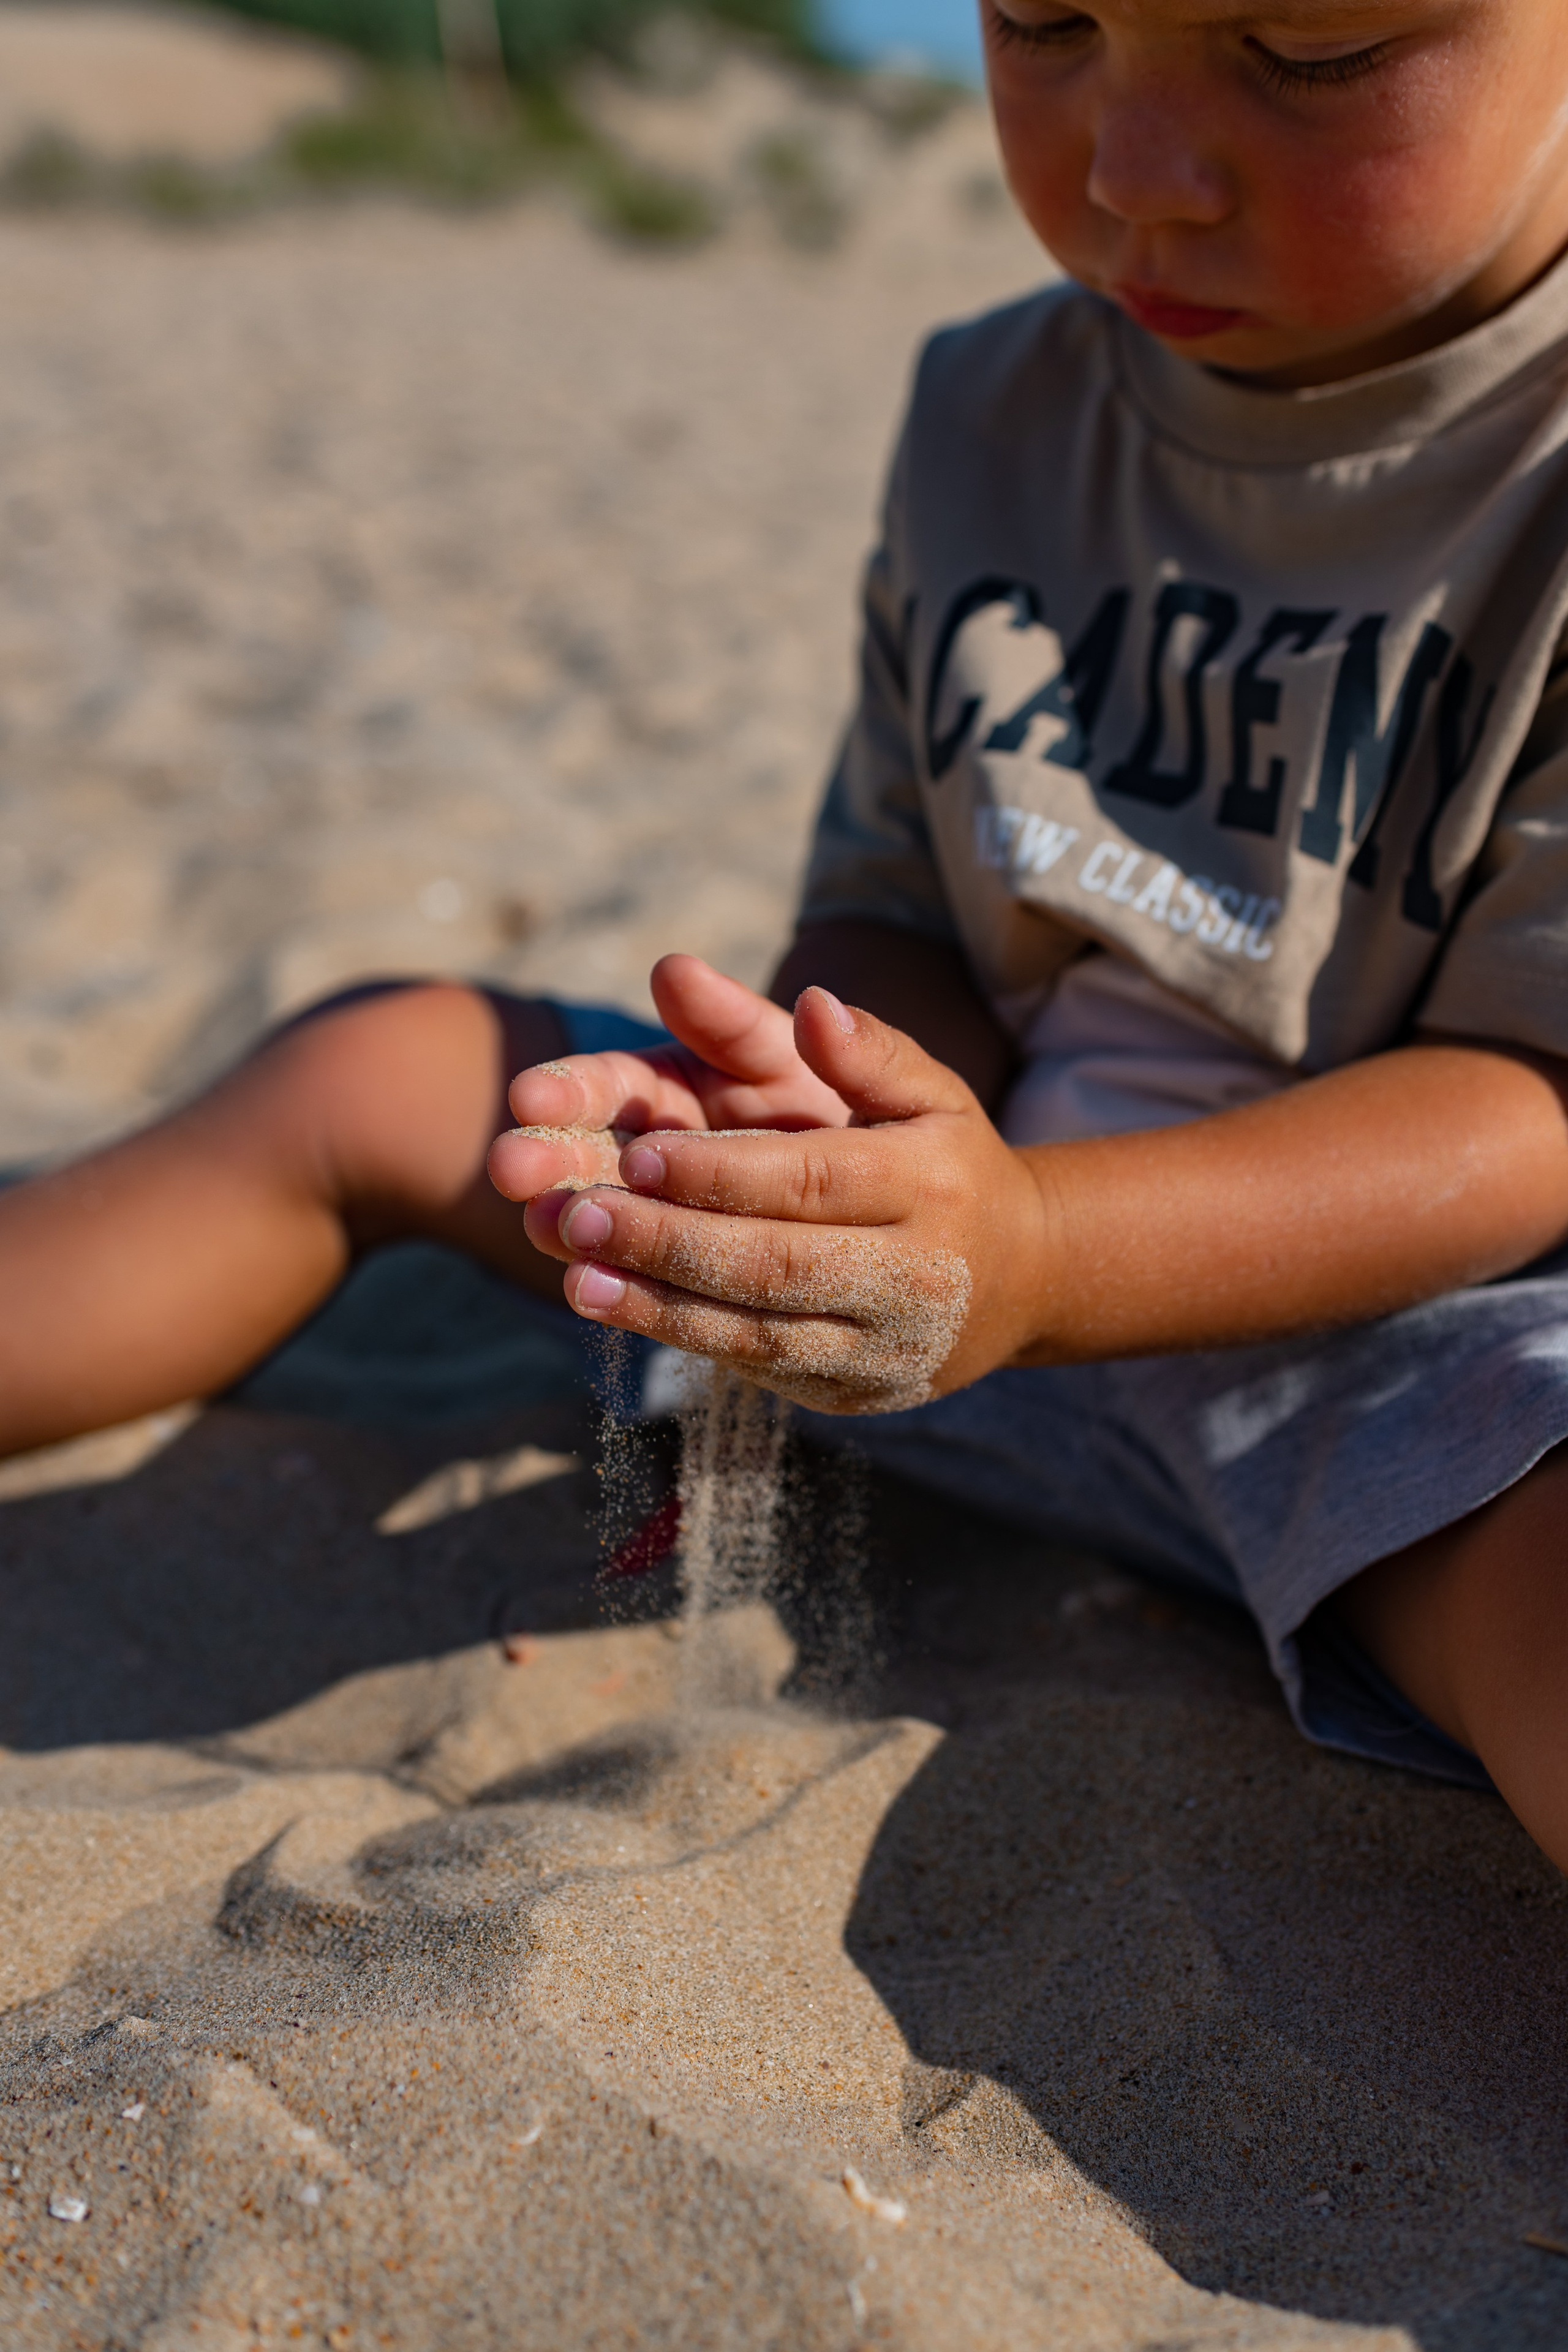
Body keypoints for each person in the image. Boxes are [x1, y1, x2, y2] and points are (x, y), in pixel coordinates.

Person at [7, 0, 1568, 1869]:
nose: (1134, 171)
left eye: (1308, 52)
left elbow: (1532, 1104)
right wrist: (818, 1125)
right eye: (1045, 23)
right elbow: (905, 898)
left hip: (1403, 1364)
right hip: (924, 1271)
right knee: (378, 1065)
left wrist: (1043, 1255)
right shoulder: (996, 409)